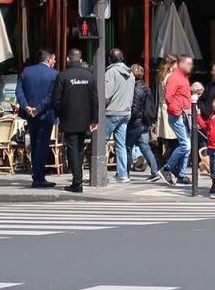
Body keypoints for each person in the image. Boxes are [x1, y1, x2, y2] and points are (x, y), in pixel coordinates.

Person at [52, 47, 98, 194]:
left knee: (72, 148)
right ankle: (77, 180)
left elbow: (56, 100)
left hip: (69, 117)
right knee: (79, 148)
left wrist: (59, 114)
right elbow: (94, 100)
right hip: (85, 119)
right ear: (81, 59)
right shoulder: (89, 76)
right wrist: (94, 119)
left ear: (67, 59)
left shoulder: (63, 76)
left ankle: (77, 182)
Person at [15, 48, 59, 189]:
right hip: (45, 114)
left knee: (34, 144)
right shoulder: (54, 74)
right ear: (48, 59)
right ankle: (39, 177)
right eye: (53, 59)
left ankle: (37, 175)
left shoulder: (27, 71)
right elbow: (52, 95)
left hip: (30, 114)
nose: (54, 62)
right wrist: (38, 108)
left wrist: (26, 106)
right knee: (42, 145)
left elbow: (19, 91)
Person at [159, 55, 194, 186]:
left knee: (187, 146)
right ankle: (167, 169)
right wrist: (178, 111)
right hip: (178, 114)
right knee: (185, 145)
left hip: (184, 113)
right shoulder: (174, 77)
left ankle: (182, 174)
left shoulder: (181, 77)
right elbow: (169, 96)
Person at [103, 48, 135, 183]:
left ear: (110, 59)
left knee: (100, 142)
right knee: (121, 144)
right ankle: (122, 174)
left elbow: (106, 94)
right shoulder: (131, 74)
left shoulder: (111, 72)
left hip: (112, 112)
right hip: (125, 112)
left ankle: (97, 172)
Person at [128, 64, 161, 181]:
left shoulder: (135, 88)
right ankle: (155, 171)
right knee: (145, 147)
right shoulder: (146, 87)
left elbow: (135, 108)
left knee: (127, 147)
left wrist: (130, 119)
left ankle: (125, 173)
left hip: (136, 123)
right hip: (145, 122)